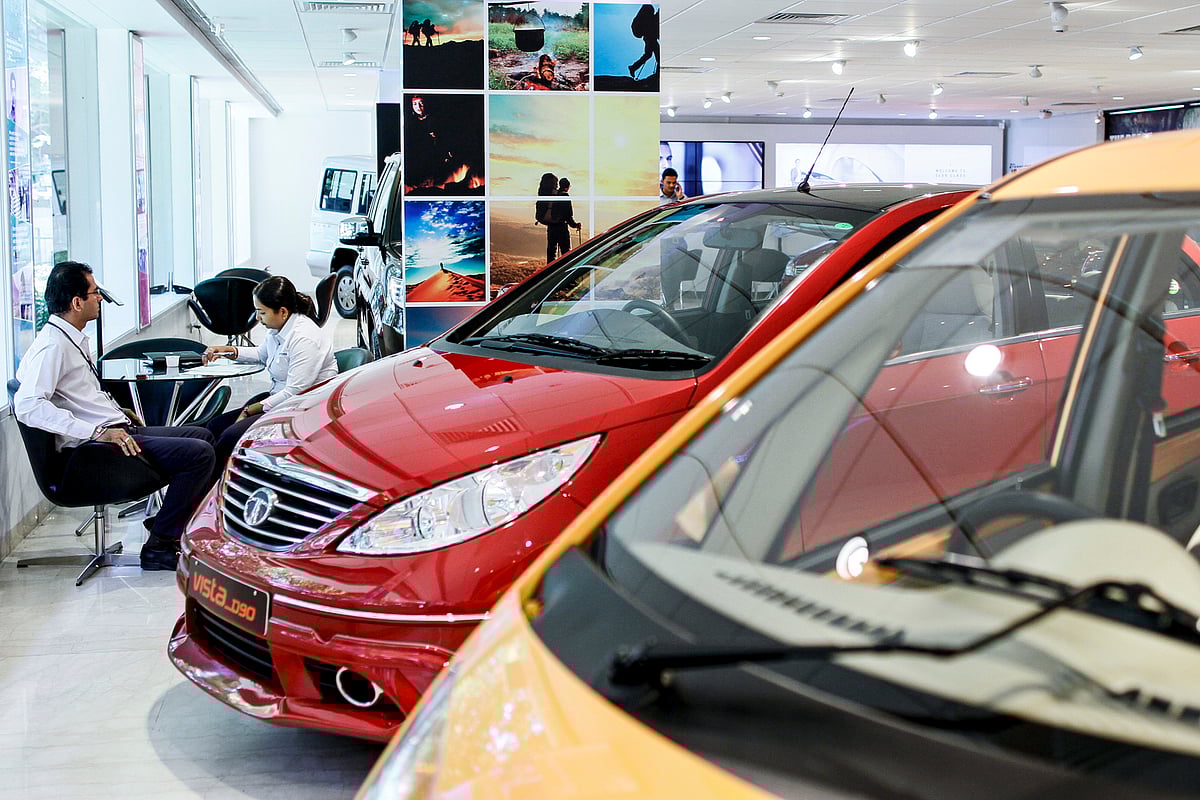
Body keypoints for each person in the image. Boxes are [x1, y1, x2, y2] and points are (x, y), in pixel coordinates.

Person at [14, 261, 216, 571]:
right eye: (96, 293)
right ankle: (160, 542)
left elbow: (74, 395)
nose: (101, 299)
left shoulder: (68, 339)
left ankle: (167, 522)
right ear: (76, 302)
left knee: (202, 436)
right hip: (94, 452)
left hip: (114, 432)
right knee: (199, 454)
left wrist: (113, 410)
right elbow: (28, 404)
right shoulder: (52, 347)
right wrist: (97, 430)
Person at [203, 276, 338, 482]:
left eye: (262, 312)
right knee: (215, 426)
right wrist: (228, 351)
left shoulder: (304, 338)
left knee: (229, 438)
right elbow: (261, 354)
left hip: (300, 408)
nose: (258, 317)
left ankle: (215, 488)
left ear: (282, 311)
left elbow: (295, 392)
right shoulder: (278, 329)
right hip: (278, 399)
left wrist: (252, 409)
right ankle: (207, 485)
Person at [627, 4, 659, 79]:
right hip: (650, 37)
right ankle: (633, 67)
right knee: (656, 55)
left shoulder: (649, 18)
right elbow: (654, 26)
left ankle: (633, 67)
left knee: (649, 54)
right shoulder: (650, 18)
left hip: (649, 37)